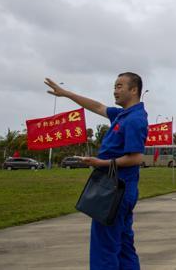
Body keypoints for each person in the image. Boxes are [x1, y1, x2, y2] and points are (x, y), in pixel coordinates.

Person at [45, 73, 149, 269]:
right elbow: (97, 106)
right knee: (124, 246)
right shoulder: (121, 114)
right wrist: (66, 94)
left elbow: (136, 158)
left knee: (104, 248)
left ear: (133, 90)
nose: (115, 91)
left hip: (116, 190)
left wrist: (100, 163)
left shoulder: (135, 119)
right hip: (119, 188)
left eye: (119, 86)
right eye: (115, 86)